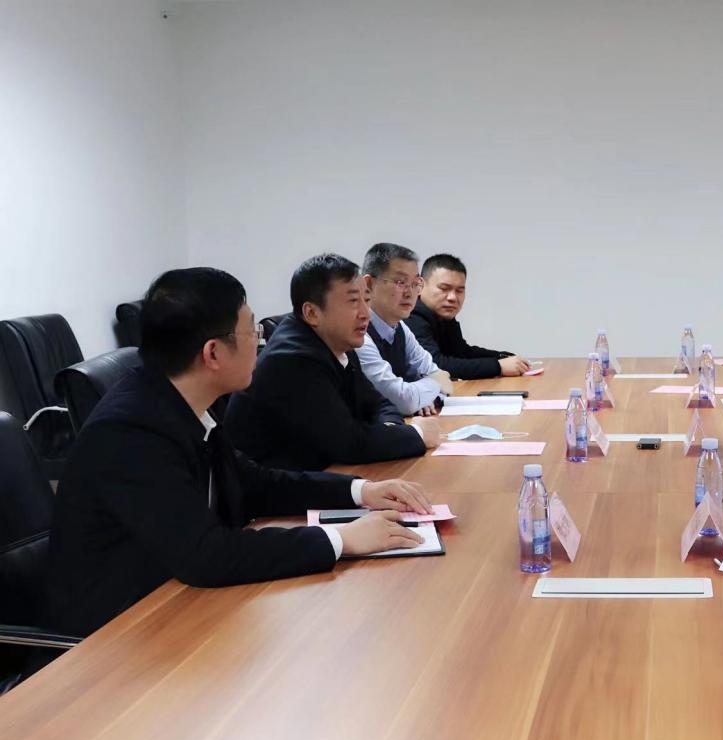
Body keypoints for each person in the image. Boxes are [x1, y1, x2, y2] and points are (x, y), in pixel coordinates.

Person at [45, 268, 436, 640]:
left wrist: (361, 492)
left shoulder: (180, 400)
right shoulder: (131, 432)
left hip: (178, 603)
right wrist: (341, 539)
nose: (260, 344)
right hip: (120, 632)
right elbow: (206, 555)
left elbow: (254, 482)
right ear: (213, 353)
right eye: (252, 332)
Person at [225, 253, 440, 470]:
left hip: (324, 472)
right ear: (312, 313)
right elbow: (349, 444)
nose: (365, 314)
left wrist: (391, 430)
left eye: (366, 300)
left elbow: (378, 404)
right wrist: (417, 433)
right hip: (277, 485)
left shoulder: (339, 340)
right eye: (353, 301)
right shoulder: (292, 359)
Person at [357, 243, 453, 416]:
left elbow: (439, 375)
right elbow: (404, 401)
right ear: (369, 284)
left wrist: (423, 396)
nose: (410, 293)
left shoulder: (400, 327)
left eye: (415, 283)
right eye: (400, 282)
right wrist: (431, 387)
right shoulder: (358, 334)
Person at [404, 254, 531, 380]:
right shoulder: (411, 316)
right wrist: (498, 366)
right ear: (420, 286)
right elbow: (435, 366)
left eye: (459, 290)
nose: (453, 297)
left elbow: (461, 352)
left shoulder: (442, 316)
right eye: (444, 288)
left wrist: (502, 356)